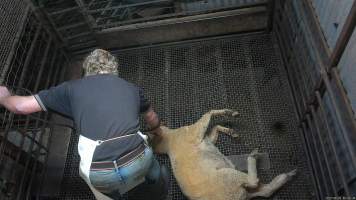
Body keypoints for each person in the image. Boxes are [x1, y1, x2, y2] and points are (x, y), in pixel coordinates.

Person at [0, 49, 169, 200]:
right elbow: (152, 118)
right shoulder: (131, 88)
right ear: (114, 70)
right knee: (155, 171)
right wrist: (158, 132)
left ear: (87, 71)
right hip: (138, 158)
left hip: (101, 173)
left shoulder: (70, 89)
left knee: (106, 190)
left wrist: (5, 96)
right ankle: (159, 190)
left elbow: (20, 107)